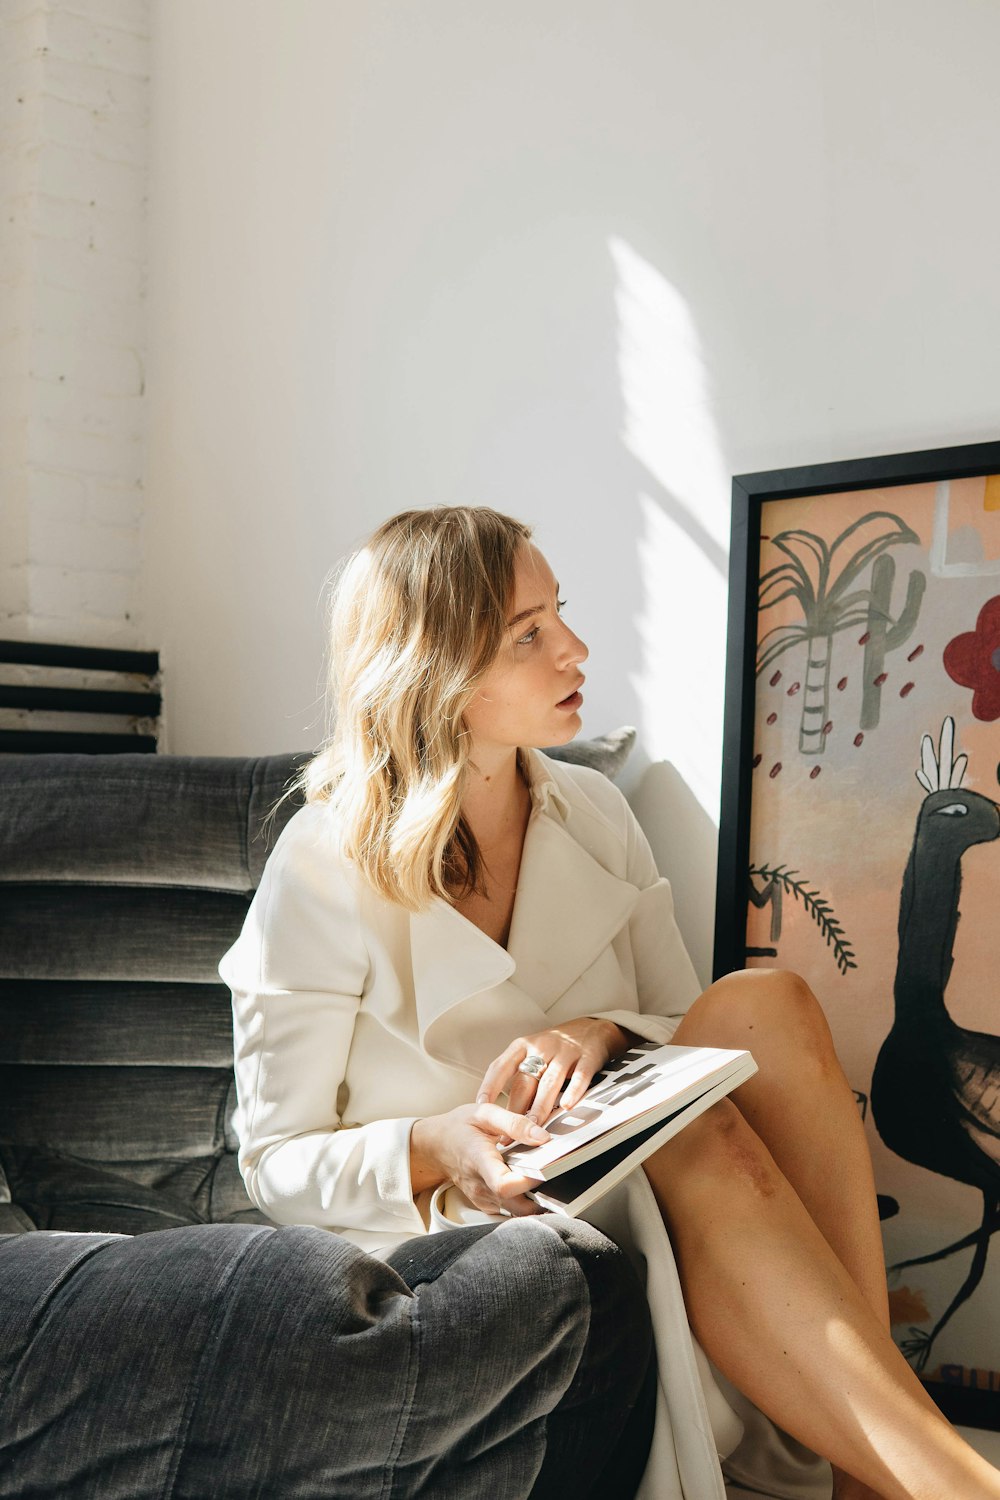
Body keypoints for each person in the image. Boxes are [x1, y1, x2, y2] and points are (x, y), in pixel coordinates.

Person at [221, 505, 1000, 1500]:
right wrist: (440, 1142)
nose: (575, 650)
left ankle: (875, 1476)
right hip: (458, 1205)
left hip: (629, 1156)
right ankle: (942, 1483)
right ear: (441, 672)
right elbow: (275, 1160)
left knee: (763, 1001)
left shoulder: (590, 810)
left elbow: (700, 1036)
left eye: (562, 617)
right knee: (693, 1138)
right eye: (529, 635)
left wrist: (608, 1029)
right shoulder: (323, 864)